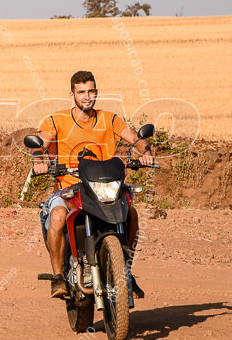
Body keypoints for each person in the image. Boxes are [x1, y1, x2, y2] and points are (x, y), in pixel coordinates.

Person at [31, 71, 154, 298]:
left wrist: (145, 152)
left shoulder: (109, 119)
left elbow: (135, 138)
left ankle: (125, 270)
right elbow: (40, 146)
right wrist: (39, 161)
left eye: (91, 91)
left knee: (132, 214)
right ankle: (58, 277)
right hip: (70, 189)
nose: (87, 96)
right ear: (72, 95)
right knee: (57, 215)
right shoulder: (56, 120)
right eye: (81, 92)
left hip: (105, 187)